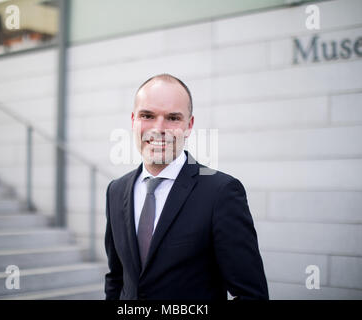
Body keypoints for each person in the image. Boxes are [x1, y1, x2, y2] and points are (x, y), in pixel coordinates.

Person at [104, 73, 268, 300]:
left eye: (172, 118)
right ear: (133, 120)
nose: (159, 128)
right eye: (147, 115)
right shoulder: (116, 190)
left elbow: (252, 295)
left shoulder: (221, 192)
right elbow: (116, 278)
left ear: (189, 125)